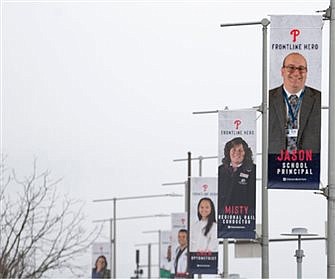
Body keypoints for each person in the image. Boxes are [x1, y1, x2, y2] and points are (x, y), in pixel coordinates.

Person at [268, 52, 321, 154]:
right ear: (282, 71)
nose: (296, 73)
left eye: (301, 69)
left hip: (310, 164)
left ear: (306, 73)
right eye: (291, 68)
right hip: (275, 164)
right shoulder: (267, 98)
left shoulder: (321, 100)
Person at [218, 137, 256, 212]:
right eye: (234, 150)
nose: (237, 153)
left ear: (245, 153)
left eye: (240, 150)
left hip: (245, 215)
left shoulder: (253, 169)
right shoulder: (221, 169)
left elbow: (252, 195)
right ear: (228, 151)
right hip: (224, 215)